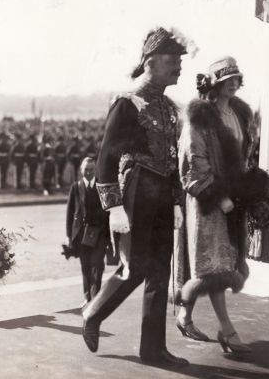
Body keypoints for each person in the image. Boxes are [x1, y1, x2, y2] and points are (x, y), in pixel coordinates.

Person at [81, 26, 190, 367]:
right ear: (150, 62)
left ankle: (153, 349)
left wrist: (175, 202)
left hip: (161, 195)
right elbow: (106, 159)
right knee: (135, 268)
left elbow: (172, 160)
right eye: (172, 60)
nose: (179, 66)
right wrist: (113, 207)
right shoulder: (128, 103)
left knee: (160, 271)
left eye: (179, 61)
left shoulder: (171, 108)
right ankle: (93, 313)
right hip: (137, 192)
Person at [175, 57, 253, 354]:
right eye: (227, 78)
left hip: (233, 200)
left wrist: (251, 187)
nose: (233, 82)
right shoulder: (199, 118)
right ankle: (227, 330)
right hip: (208, 201)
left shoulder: (238, 113)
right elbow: (192, 162)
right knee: (215, 266)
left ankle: (184, 315)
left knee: (213, 263)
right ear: (215, 83)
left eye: (236, 76)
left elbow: (244, 154)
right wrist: (217, 196)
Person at [66, 157, 110, 306]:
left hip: (99, 234)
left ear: (95, 169)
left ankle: (95, 295)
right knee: (85, 266)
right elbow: (70, 213)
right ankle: (87, 296)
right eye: (86, 170)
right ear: (81, 170)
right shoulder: (76, 187)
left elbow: (108, 212)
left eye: (91, 169)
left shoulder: (101, 186)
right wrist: (68, 236)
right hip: (81, 235)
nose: (88, 172)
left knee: (97, 265)